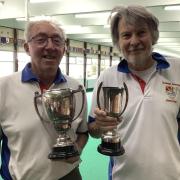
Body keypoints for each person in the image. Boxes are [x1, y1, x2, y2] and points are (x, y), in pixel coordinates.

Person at [88, 5, 180, 180]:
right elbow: (93, 130)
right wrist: (100, 125)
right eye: (126, 35)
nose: (134, 41)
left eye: (141, 32)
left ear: (153, 35)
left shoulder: (177, 69)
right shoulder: (107, 78)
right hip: (123, 175)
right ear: (118, 41)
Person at [0, 20, 88, 180]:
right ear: (27, 47)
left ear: (64, 48)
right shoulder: (3, 87)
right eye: (41, 40)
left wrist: (78, 147)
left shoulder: (76, 87)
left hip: (69, 175)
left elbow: (83, 132)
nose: (50, 46)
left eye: (57, 40)